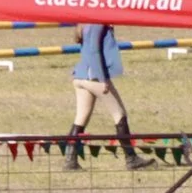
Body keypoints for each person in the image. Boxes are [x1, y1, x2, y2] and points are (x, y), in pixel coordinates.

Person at [64, 24, 153, 171]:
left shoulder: (85, 24)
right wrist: (103, 79)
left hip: (80, 76)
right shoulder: (97, 23)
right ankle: (131, 158)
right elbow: (94, 52)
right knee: (120, 114)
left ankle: (70, 160)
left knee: (80, 119)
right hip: (94, 77)